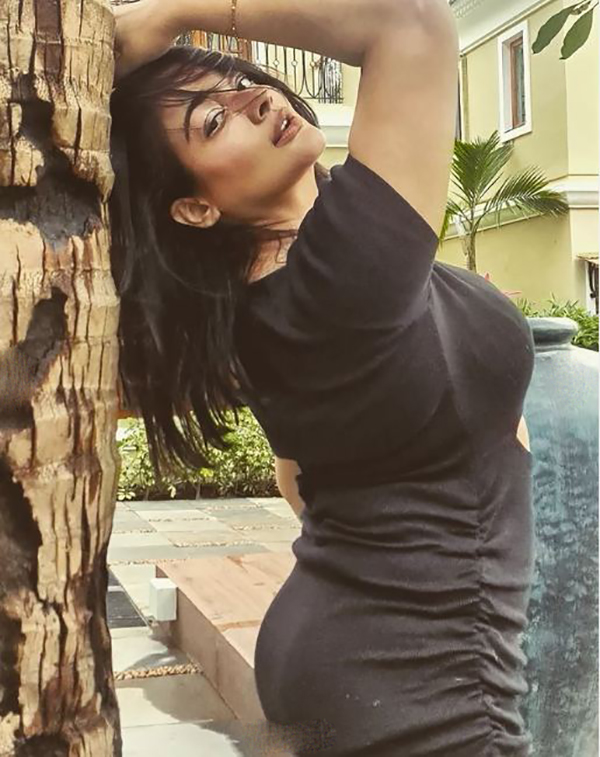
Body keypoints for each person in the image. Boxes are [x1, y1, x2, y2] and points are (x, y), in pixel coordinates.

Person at [111, 0, 536, 754]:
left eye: (236, 78)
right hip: (422, 679)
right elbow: (411, 22)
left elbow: (298, 474)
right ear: (196, 209)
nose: (253, 97)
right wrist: (175, 10)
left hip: (371, 659)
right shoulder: (340, 277)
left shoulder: (277, 294)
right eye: (214, 121)